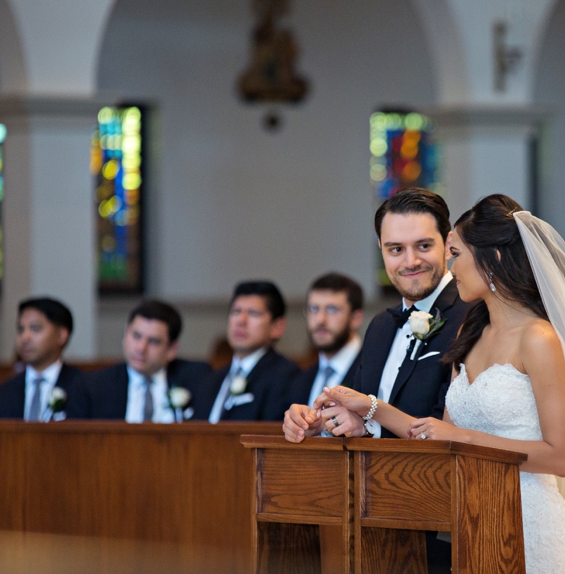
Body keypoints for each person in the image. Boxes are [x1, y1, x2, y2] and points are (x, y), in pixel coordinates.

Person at [315, 194, 565, 574]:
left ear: (494, 259)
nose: (452, 265)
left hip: (530, 523)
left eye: (457, 254)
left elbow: (560, 457)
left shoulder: (539, 338)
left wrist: (463, 438)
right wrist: (368, 406)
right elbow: (436, 434)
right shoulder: (471, 333)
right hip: (473, 520)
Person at [283, 187, 470, 441]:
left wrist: (370, 427)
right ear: (381, 248)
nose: (410, 261)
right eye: (396, 249)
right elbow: (356, 417)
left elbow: (453, 430)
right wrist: (322, 423)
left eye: (423, 246)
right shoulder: (380, 325)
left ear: (448, 245)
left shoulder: (471, 317)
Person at [67, 300, 210, 422]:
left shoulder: (198, 380)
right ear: (125, 334)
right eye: (136, 336)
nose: (141, 348)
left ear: (171, 349)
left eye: (153, 341)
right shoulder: (94, 387)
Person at [195, 281, 299, 422]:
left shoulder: (286, 377)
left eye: (253, 313)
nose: (241, 320)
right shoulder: (210, 380)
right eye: (236, 312)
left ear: (277, 327)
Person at [0, 297, 83, 421]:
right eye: (20, 330)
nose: (24, 338)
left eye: (35, 329)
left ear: (61, 336)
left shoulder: (84, 390)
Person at [285, 273, 363, 409]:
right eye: (314, 309)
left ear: (356, 318)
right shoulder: (300, 380)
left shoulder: (373, 373)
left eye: (332, 309)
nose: (320, 319)